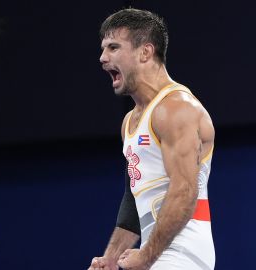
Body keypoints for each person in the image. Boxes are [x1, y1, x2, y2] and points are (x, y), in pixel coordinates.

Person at [88, 8, 216, 270]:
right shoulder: (130, 122)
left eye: (113, 47)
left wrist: (145, 256)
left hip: (183, 254)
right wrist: (111, 259)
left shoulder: (176, 108)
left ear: (145, 52)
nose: (102, 58)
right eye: (103, 49)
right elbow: (132, 203)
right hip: (158, 255)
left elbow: (184, 191)